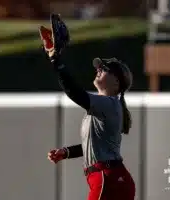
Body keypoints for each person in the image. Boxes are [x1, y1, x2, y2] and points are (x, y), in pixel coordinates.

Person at [46, 55, 136, 200]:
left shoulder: (109, 104)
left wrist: (57, 62)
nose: (99, 69)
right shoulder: (105, 107)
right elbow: (93, 145)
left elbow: (74, 92)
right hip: (113, 177)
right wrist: (66, 152)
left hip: (108, 179)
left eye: (105, 68)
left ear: (116, 81)